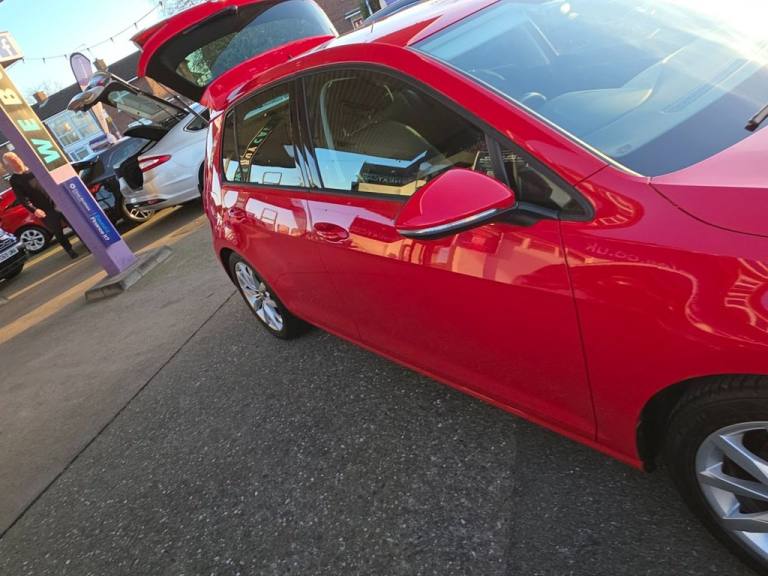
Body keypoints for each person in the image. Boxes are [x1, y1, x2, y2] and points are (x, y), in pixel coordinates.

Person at [2, 152, 78, 259]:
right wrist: (34, 210)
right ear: (9, 166)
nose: (16, 162)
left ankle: (89, 243)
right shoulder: (14, 180)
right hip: (44, 210)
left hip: (57, 202)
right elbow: (23, 199)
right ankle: (70, 250)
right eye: (12, 161)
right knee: (58, 231)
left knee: (75, 225)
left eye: (16, 158)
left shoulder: (34, 168)